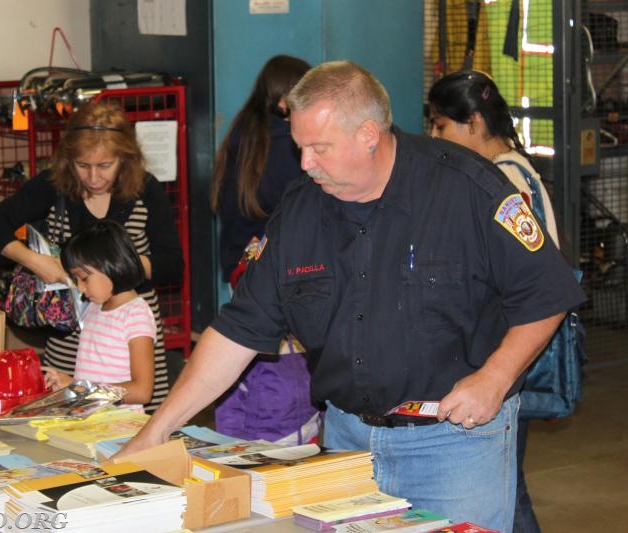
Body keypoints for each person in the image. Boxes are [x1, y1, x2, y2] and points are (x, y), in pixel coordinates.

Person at [112, 60, 585, 532]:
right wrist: (156, 430)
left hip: (453, 446)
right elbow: (237, 332)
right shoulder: (300, 210)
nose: (305, 163)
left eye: (319, 148)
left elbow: (547, 291)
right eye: (300, 147)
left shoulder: (468, 190)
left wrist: (495, 377)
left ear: (369, 134)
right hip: (347, 444)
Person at [0, 100, 183, 413]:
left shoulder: (146, 190)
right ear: (69, 160)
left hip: (129, 332)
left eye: (105, 166)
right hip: (73, 332)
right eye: (83, 166)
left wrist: (114, 269)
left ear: (125, 159)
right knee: (72, 413)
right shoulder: (53, 186)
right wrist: (36, 261)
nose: (94, 177)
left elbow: (171, 264)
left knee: (140, 422)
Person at [428, 69, 559, 533]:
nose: (434, 137)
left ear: (475, 123)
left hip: (505, 351)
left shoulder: (499, 181)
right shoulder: (514, 169)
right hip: (503, 348)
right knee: (509, 482)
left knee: (506, 488)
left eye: (441, 126)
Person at [210, 54, 320, 444]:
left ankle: (244, 441)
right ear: (283, 101)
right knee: (286, 372)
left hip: (239, 271)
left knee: (244, 375)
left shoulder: (241, 133)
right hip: (279, 276)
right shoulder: (288, 146)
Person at [42, 220, 155, 408]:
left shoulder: (136, 314)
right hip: (90, 420)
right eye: (76, 280)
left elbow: (142, 391)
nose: (80, 287)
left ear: (112, 264)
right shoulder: (94, 308)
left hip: (120, 427)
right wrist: (71, 389)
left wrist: (82, 390)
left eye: (84, 278)